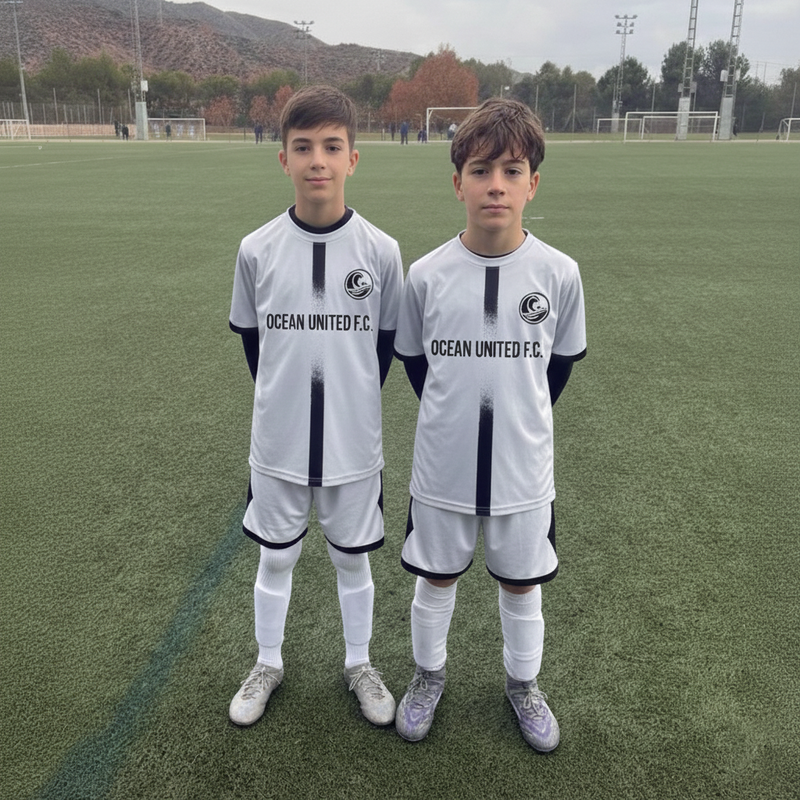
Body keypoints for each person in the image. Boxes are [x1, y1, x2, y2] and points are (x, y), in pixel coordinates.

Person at [392, 98, 586, 752]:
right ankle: (427, 677)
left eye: (511, 169)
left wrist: (516, 418)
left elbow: (556, 369)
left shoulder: (560, 274)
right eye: (480, 170)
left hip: (523, 470)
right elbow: (418, 367)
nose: (495, 184)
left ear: (533, 182)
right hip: (441, 468)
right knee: (436, 575)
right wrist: (458, 414)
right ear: (458, 183)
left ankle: (522, 686)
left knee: (521, 581)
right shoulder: (425, 276)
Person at [228, 85, 403, 729]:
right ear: (283, 159)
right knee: (276, 556)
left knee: (351, 558)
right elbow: (253, 342)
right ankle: (268, 662)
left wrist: (350, 402)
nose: (318, 161)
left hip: (354, 445)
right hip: (277, 444)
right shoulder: (257, 248)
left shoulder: (382, 253)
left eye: (332, 147)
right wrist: (285, 401)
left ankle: (359, 662)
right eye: (303, 148)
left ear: (354, 158)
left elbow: (385, 348)